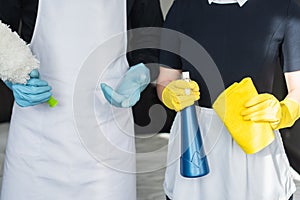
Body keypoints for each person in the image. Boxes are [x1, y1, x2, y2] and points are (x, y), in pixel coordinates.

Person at [0, 0, 163, 199]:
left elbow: (150, 34)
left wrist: (143, 70)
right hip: (36, 138)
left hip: (106, 136)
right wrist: (13, 77)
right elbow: (2, 30)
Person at [156, 0, 300, 199]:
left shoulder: (283, 6)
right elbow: (165, 79)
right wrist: (169, 93)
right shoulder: (183, 6)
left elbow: (298, 89)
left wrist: (285, 111)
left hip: (253, 138)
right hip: (195, 139)